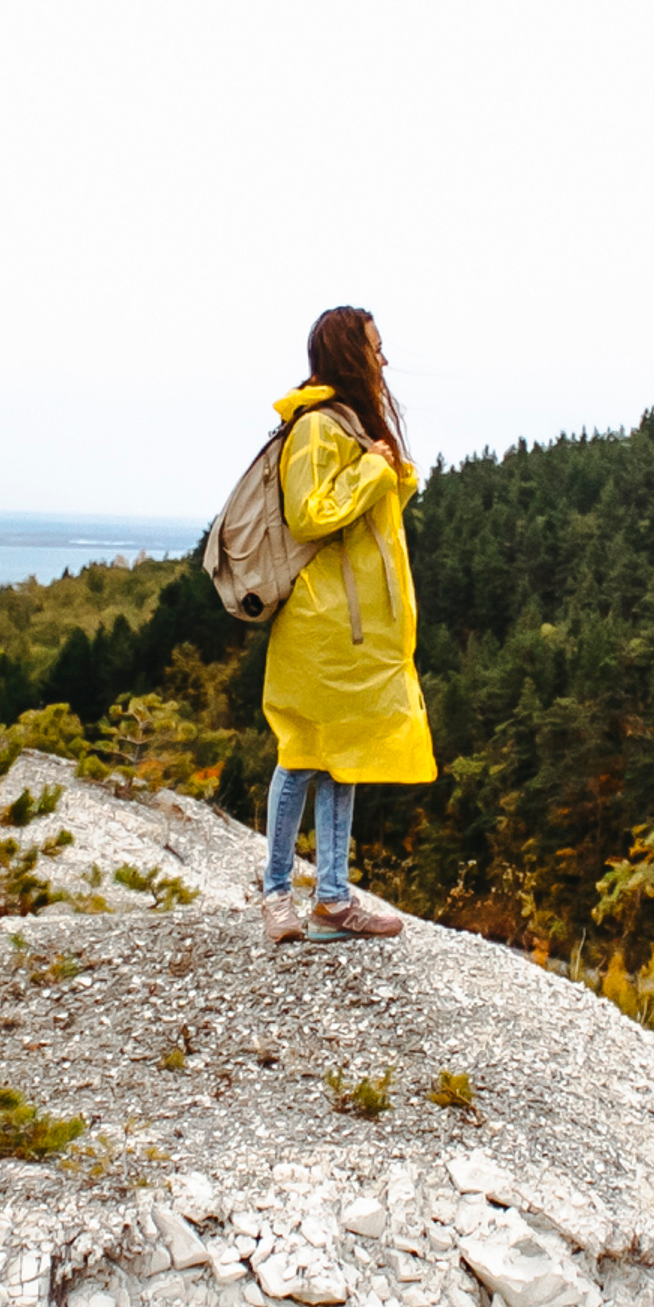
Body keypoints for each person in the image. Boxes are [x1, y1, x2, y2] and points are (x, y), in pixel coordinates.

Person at [258, 306, 435, 943]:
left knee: (345, 757)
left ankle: (332, 899)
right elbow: (310, 514)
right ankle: (277, 892)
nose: (384, 360)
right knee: (302, 753)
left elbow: (367, 517)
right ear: (350, 354)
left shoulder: (352, 425)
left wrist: (386, 467)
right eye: (376, 348)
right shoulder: (314, 426)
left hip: (354, 626)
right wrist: (370, 467)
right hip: (318, 621)